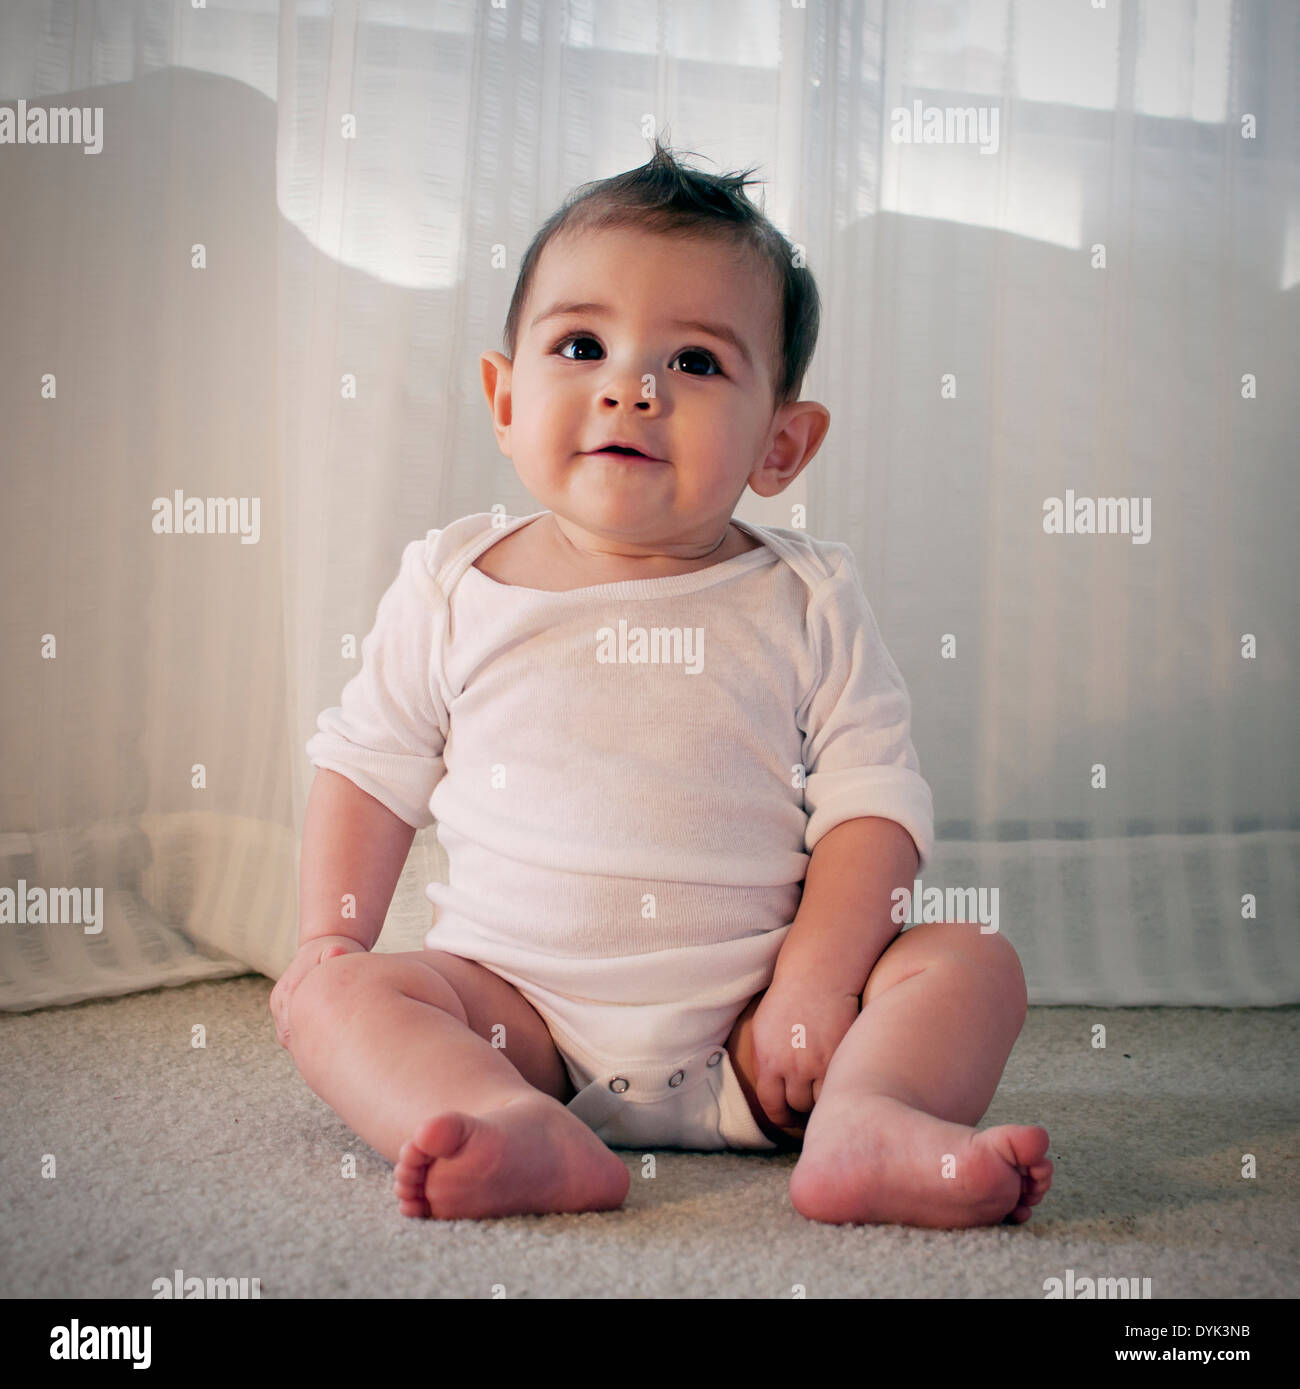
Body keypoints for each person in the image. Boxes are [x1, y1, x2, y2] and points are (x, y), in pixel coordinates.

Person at [270, 136, 1052, 1228]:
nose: (630, 390)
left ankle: (867, 1118)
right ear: (504, 400)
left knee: (972, 963)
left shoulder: (807, 596)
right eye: (583, 344)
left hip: (761, 1031)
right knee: (336, 998)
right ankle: (505, 1122)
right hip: (518, 1022)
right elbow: (368, 768)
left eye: (692, 363)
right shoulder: (452, 582)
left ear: (781, 444)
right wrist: (329, 939)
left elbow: (870, 807)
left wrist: (817, 988)